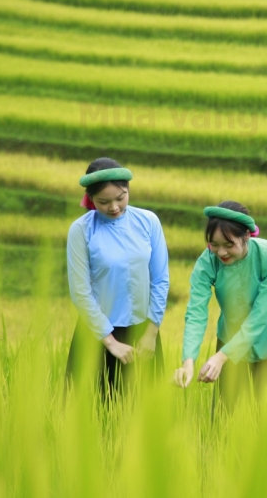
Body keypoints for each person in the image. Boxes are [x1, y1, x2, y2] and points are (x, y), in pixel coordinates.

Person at [173, 201, 267, 415]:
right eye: (213, 244)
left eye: (229, 244)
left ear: (246, 236)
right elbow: (196, 312)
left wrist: (221, 357)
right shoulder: (207, 262)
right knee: (225, 417)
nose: (221, 252)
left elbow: (260, 316)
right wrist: (188, 361)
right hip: (232, 335)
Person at [65, 157, 169, 397]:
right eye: (104, 202)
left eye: (120, 198)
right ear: (91, 199)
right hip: (97, 335)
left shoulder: (148, 222)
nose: (114, 207)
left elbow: (160, 280)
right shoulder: (81, 230)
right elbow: (80, 292)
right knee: (92, 411)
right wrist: (111, 343)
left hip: (143, 335)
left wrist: (151, 334)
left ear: (128, 190)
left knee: (144, 410)